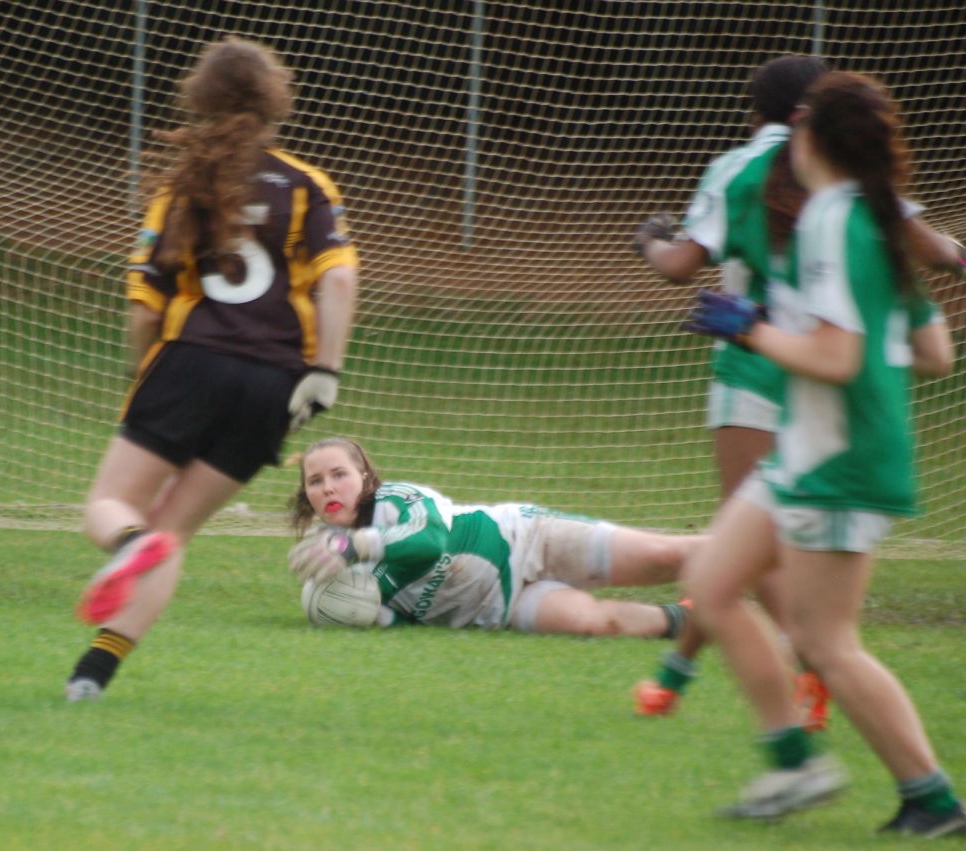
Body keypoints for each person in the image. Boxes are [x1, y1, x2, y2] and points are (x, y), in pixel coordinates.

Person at [630, 55, 961, 722]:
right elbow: (939, 257)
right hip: (839, 394)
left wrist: (650, 240)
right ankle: (677, 675)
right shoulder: (861, 188)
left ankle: (806, 677)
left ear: (760, 113)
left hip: (760, 367)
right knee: (733, 553)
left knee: (746, 550)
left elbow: (679, 266)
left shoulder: (746, 172)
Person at [64, 37, 359, 701]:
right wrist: (326, 372)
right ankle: (92, 675)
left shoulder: (183, 188)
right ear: (276, 98)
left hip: (192, 361)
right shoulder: (309, 186)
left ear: (198, 97)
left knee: (111, 510)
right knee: (175, 534)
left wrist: (150, 375)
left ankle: (128, 545)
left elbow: (144, 308)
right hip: (274, 385)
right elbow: (339, 283)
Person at [286, 437, 703, 638]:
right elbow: (401, 614)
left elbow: (429, 541)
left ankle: (760, 550)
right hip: (501, 605)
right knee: (596, 622)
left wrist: (356, 545)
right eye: (315, 481)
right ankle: (698, 620)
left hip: (526, 538)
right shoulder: (333, 558)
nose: (328, 488)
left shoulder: (396, 499)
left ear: (364, 476)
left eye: (339, 474)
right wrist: (371, 616)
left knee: (663, 556)